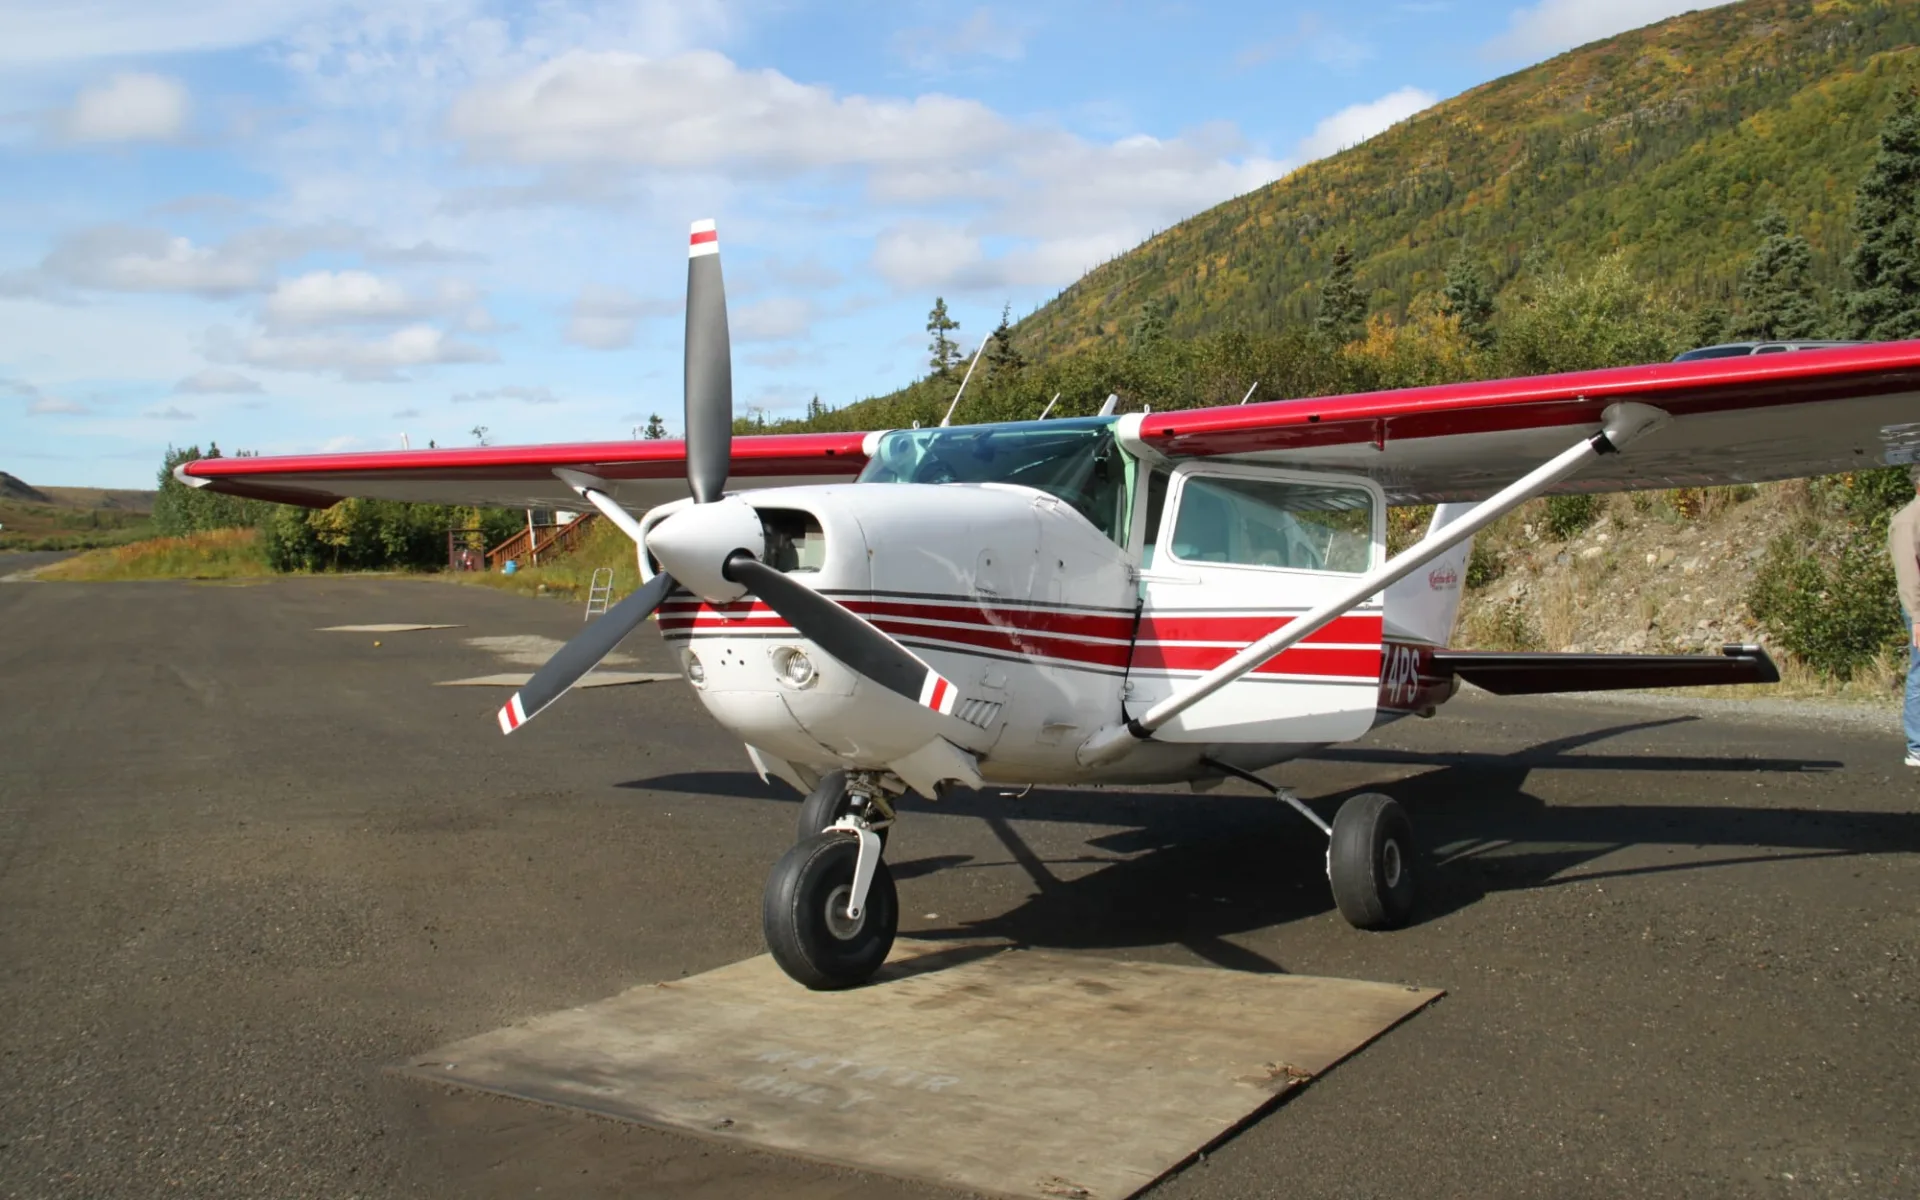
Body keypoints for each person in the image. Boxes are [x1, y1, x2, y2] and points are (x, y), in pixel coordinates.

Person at [1890, 463, 1920, 766]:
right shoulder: (1906, 520)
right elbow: (1908, 575)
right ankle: (1918, 745)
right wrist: (1917, 616)